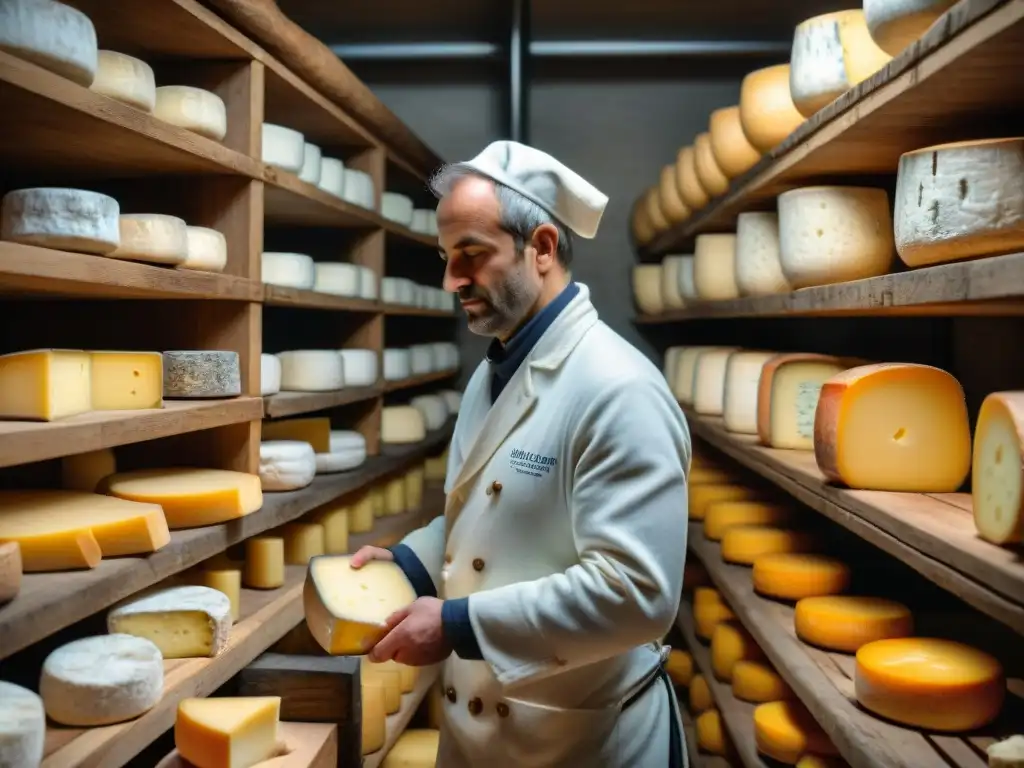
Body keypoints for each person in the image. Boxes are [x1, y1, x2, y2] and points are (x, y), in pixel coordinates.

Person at [352, 140, 691, 767]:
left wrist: (457, 626)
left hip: (581, 740)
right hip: (493, 734)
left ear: (541, 247)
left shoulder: (618, 388)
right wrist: (412, 563)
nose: (451, 279)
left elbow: (636, 592)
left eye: (471, 255)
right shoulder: (500, 367)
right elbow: (495, 514)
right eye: (445, 256)